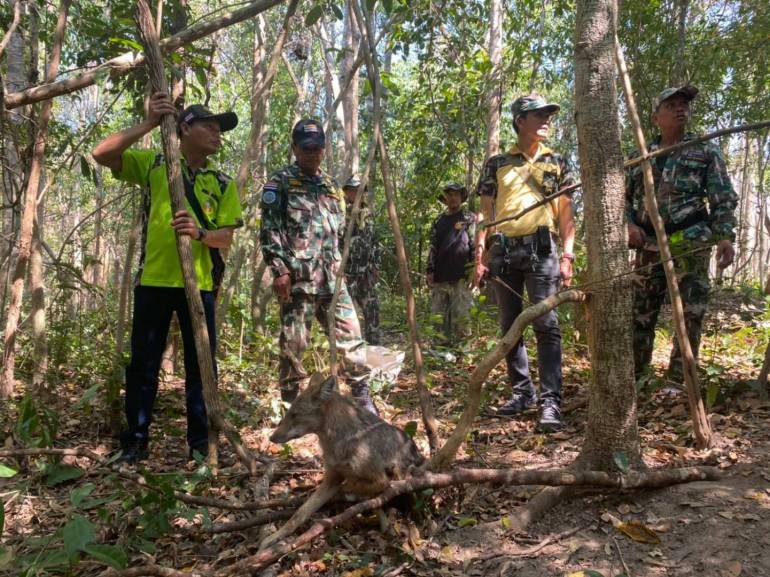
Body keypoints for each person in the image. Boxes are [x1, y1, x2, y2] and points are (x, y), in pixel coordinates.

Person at [92, 94, 243, 463]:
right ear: (184, 128)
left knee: (201, 368)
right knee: (143, 365)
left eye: (219, 128)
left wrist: (200, 233)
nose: (217, 133)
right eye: (209, 125)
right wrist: (147, 125)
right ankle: (135, 441)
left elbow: (226, 237)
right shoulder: (156, 164)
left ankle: (200, 445)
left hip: (200, 287)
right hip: (154, 283)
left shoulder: (221, 183)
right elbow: (101, 154)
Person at [259, 119, 376, 413]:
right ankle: (290, 402)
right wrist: (280, 270)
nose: (313, 154)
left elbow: (336, 233)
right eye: (307, 148)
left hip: (332, 279)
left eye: (318, 148)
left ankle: (362, 396)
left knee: (351, 335)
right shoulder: (280, 182)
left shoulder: (330, 185)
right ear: (295, 148)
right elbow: (269, 229)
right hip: (299, 279)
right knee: (294, 344)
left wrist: (341, 266)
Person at [475, 94, 576, 432]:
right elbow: (485, 212)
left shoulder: (557, 161)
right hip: (503, 252)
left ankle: (550, 401)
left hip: (542, 251)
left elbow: (565, 211)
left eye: (549, 113)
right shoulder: (497, 163)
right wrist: (481, 255)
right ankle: (522, 393)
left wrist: (568, 255)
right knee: (509, 325)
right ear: (520, 120)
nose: (546, 120)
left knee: (546, 324)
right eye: (539, 115)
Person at [626, 85, 737, 381]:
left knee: (690, 313)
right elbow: (621, 198)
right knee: (640, 312)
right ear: (655, 117)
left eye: (684, 104)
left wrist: (724, 234)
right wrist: (629, 224)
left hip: (690, 241)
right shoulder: (640, 156)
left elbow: (722, 195)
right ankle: (637, 375)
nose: (680, 109)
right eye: (672, 104)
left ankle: (679, 379)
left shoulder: (705, 149)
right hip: (648, 245)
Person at [426, 183, 476, 342]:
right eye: (450, 195)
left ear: (461, 198)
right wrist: (430, 271)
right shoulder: (438, 220)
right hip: (441, 275)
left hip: (462, 276)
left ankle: (463, 352)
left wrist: (474, 270)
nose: (453, 198)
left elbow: (474, 245)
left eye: (456, 194)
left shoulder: (469, 217)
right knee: (438, 317)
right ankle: (439, 351)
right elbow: (433, 247)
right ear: (445, 198)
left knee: (461, 316)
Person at [342, 175, 382, 345]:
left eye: (358, 190)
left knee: (372, 310)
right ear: (347, 192)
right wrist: (339, 270)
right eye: (352, 190)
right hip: (347, 273)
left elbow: (375, 242)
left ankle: (374, 348)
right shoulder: (340, 213)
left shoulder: (369, 215)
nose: (355, 194)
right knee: (346, 315)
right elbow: (334, 241)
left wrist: (376, 265)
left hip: (366, 273)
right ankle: (350, 350)